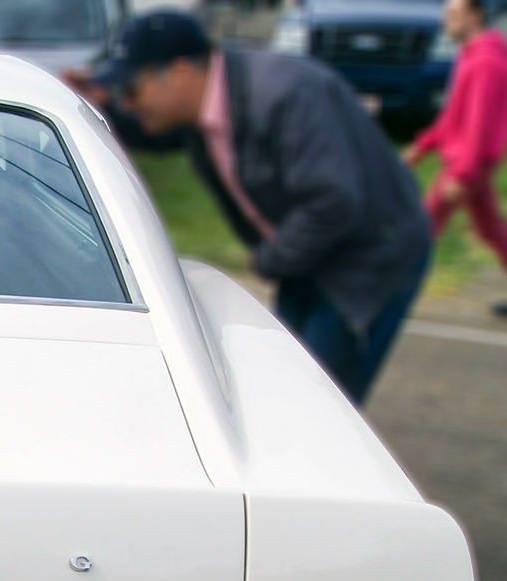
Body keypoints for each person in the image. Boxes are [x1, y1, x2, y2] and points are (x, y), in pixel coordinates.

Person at [65, 10, 431, 405]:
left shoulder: (284, 95)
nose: (129, 103)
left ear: (180, 71)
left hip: (366, 259)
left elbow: (333, 201)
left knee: (319, 400)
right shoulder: (208, 100)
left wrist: (269, 260)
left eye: (131, 89)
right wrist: (91, 105)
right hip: (309, 253)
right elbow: (151, 133)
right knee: (285, 381)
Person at [405, 0, 507, 317]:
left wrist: (463, 174)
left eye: (452, 15)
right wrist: (422, 146)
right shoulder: (470, 56)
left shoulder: (486, 63)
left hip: (468, 163)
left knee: (423, 225)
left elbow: (479, 123)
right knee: (490, 228)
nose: (445, 22)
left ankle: (389, 294)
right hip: (468, 161)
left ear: (473, 17)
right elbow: (453, 116)